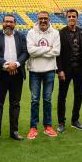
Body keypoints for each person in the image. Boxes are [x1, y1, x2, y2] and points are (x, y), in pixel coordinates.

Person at [0, 14, 28, 142]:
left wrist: (15, 64)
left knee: (15, 104)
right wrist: (6, 64)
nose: (8, 24)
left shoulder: (21, 36)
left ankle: (14, 131)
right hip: (0, 74)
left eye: (11, 22)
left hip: (16, 75)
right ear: (2, 23)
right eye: (6, 22)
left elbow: (25, 52)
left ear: (15, 24)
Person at [26, 11, 61, 139]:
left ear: (49, 19)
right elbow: (31, 51)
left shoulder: (55, 33)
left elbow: (56, 51)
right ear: (37, 19)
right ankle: (33, 127)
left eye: (45, 18)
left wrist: (38, 50)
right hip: (35, 70)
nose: (43, 21)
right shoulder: (31, 32)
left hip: (50, 70)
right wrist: (48, 49)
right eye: (41, 18)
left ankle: (48, 126)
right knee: (34, 100)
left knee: (47, 100)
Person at [56, 8, 82, 132]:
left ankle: (75, 120)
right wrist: (60, 70)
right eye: (69, 16)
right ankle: (61, 122)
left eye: (73, 16)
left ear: (77, 18)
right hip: (66, 69)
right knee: (62, 96)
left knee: (78, 94)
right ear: (66, 18)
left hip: (79, 68)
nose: (71, 18)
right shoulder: (61, 33)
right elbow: (57, 54)